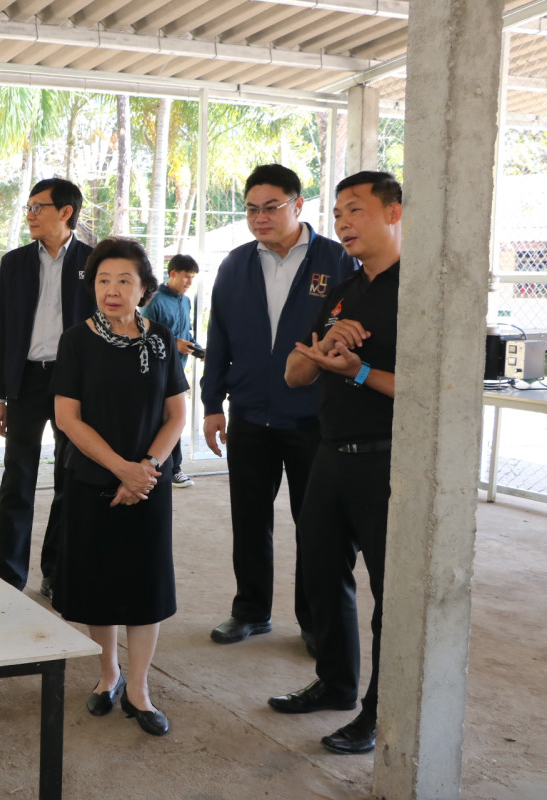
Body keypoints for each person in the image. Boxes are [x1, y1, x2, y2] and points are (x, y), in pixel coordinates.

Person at [268, 171, 402, 756]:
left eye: (356, 210)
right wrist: (324, 350)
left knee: (391, 595)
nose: (343, 223)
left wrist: (361, 370)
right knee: (322, 574)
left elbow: (434, 389)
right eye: (339, 213)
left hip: (386, 462)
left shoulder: (419, 287)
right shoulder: (342, 290)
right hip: (330, 453)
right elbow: (295, 374)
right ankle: (336, 683)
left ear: (393, 212)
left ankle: (379, 712)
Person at [201, 164, 357, 652]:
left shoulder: (337, 260)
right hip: (249, 415)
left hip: (314, 419)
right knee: (249, 521)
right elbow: (219, 338)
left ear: (298, 205)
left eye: (271, 207)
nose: (260, 218)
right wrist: (212, 403)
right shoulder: (235, 265)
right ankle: (250, 611)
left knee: (315, 527)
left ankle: (314, 622)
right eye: (251, 209)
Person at [50, 237, 188, 737]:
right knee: (100, 583)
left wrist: (146, 468)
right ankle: (108, 675)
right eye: (103, 280)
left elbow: (176, 414)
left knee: (146, 583)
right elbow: (68, 418)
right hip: (93, 479)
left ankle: (139, 688)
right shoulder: (76, 340)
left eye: (123, 280)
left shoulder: (162, 337)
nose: (111, 290)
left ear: (144, 288)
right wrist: (121, 469)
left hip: (150, 484)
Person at [0, 178, 96, 595]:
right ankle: (11, 579)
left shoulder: (93, 261)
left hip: (74, 385)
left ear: (65, 212)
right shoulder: (14, 263)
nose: (30, 215)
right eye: (29, 207)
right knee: (18, 480)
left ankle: (56, 571)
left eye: (38, 207)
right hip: (27, 382)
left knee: (71, 479)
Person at [145, 254, 201, 489]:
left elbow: (186, 334)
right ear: (173, 273)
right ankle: (173, 469)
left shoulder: (186, 301)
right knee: (169, 419)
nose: (189, 282)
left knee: (174, 418)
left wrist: (196, 349)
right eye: (186, 276)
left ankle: (169, 469)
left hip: (178, 369)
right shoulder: (154, 300)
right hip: (156, 370)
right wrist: (173, 343)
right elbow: (143, 333)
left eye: (193, 277)